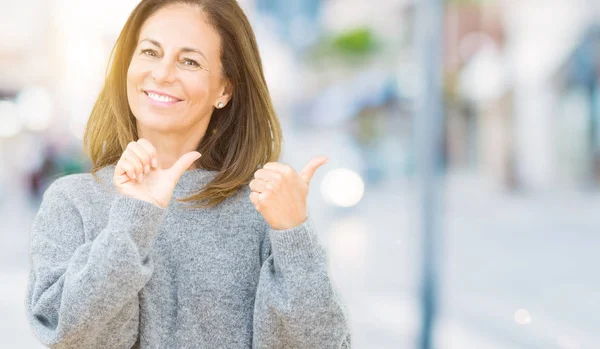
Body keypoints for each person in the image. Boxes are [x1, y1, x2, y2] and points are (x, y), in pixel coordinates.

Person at [25, 0, 351, 348]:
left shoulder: (261, 208)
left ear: (224, 89)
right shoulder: (73, 201)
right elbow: (72, 336)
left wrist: (293, 237)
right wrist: (134, 220)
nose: (163, 74)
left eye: (189, 61)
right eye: (150, 52)